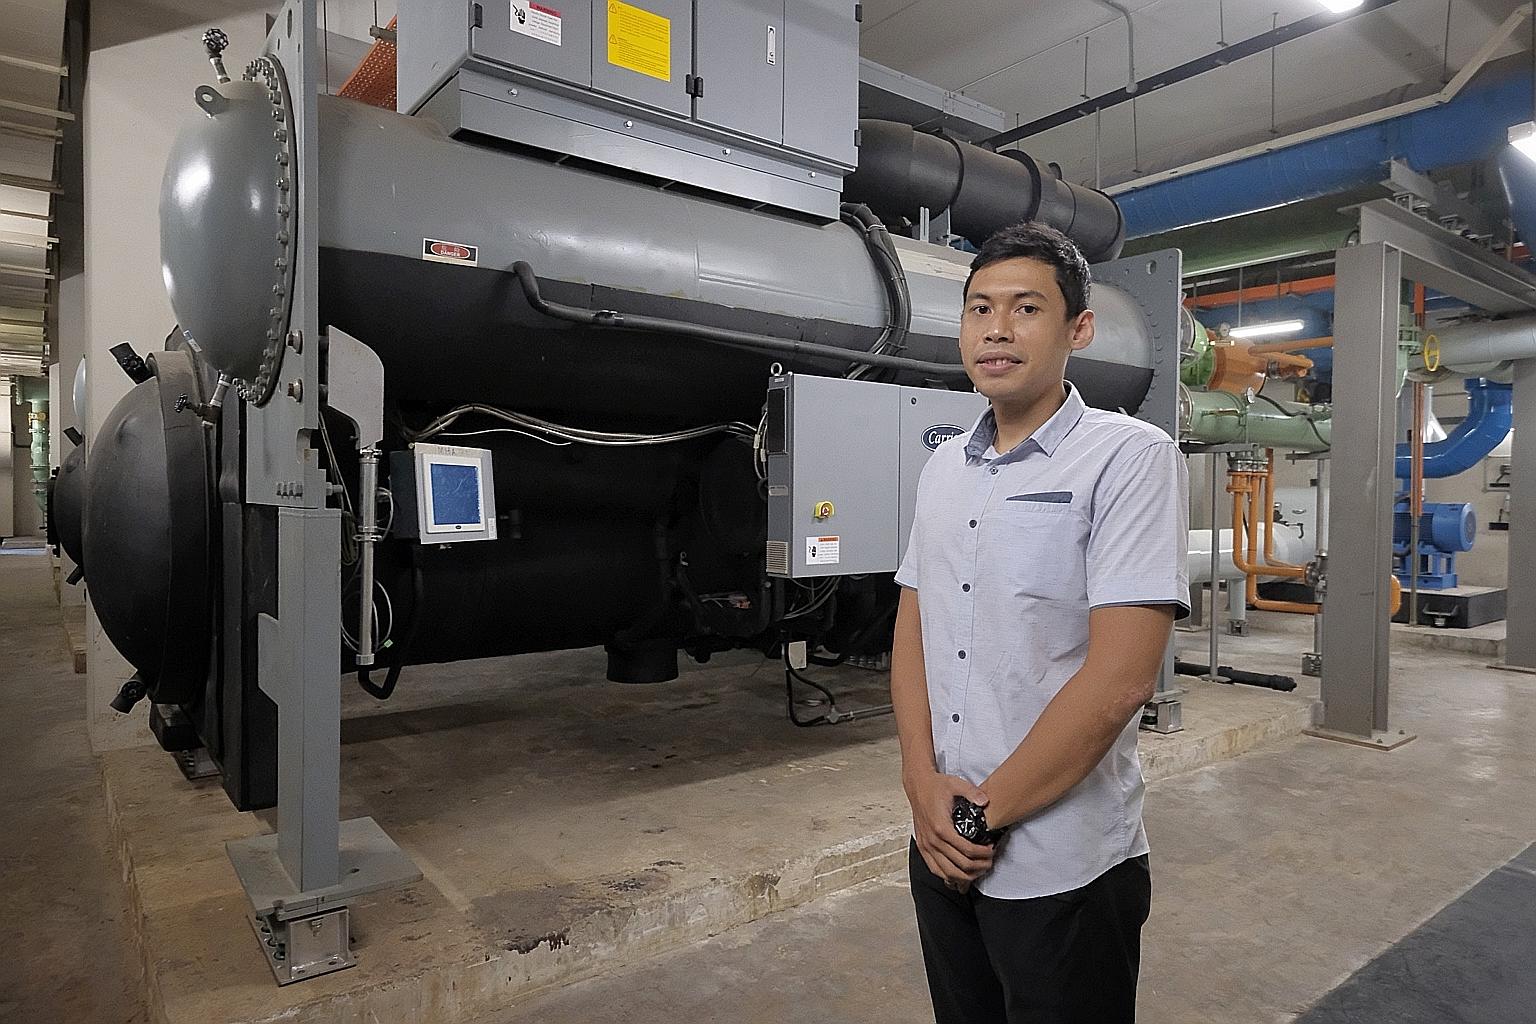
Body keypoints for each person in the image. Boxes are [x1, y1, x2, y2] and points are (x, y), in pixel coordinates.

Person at [891, 221, 1189, 1023]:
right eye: (978, 309)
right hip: (940, 842)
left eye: (1026, 308)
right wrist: (922, 787)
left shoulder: (1130, 457)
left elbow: (1121, 680)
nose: (996, 329)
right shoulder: (942, 467)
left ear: (1077, 329)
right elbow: (913, 632)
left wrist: (976, 816)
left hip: (1064, 866)